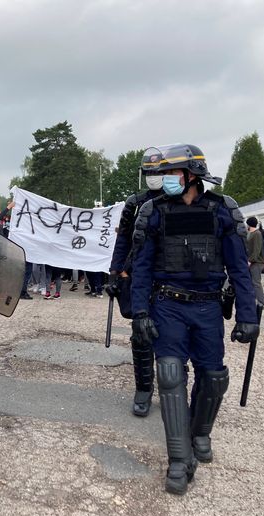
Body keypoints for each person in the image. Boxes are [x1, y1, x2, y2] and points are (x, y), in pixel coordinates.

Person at [129, 144, 259, 495]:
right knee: (170, 375)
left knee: (213, 377)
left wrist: (248, 314)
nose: (164, 180)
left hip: (207, 308)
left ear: (190, 175)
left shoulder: (221, 210)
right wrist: (140, 311)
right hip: (168, 304)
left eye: (171, 174)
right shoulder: (151, 212)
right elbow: (140, 268)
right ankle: (178, 458)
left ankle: (200, 432)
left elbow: (240, 269)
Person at [106, 171, 163, 417]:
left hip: (172, 277)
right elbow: (122, 240)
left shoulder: (183, 202)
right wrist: (115, 272)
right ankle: (143, 389)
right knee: (141, 335)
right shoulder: (136, 202)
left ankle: (175, 390)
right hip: (139, 275)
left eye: (158, 172)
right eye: (149, 172)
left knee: (175, 337)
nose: (154, 177)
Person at [245, 217, 264, 306]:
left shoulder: (257, 234)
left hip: (256, 262)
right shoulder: (250, 233)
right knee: (251, 282)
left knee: (256, 282)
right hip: (251, 261)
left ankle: (261, 302)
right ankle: (252, 299)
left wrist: (250, 260)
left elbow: (257, 249)